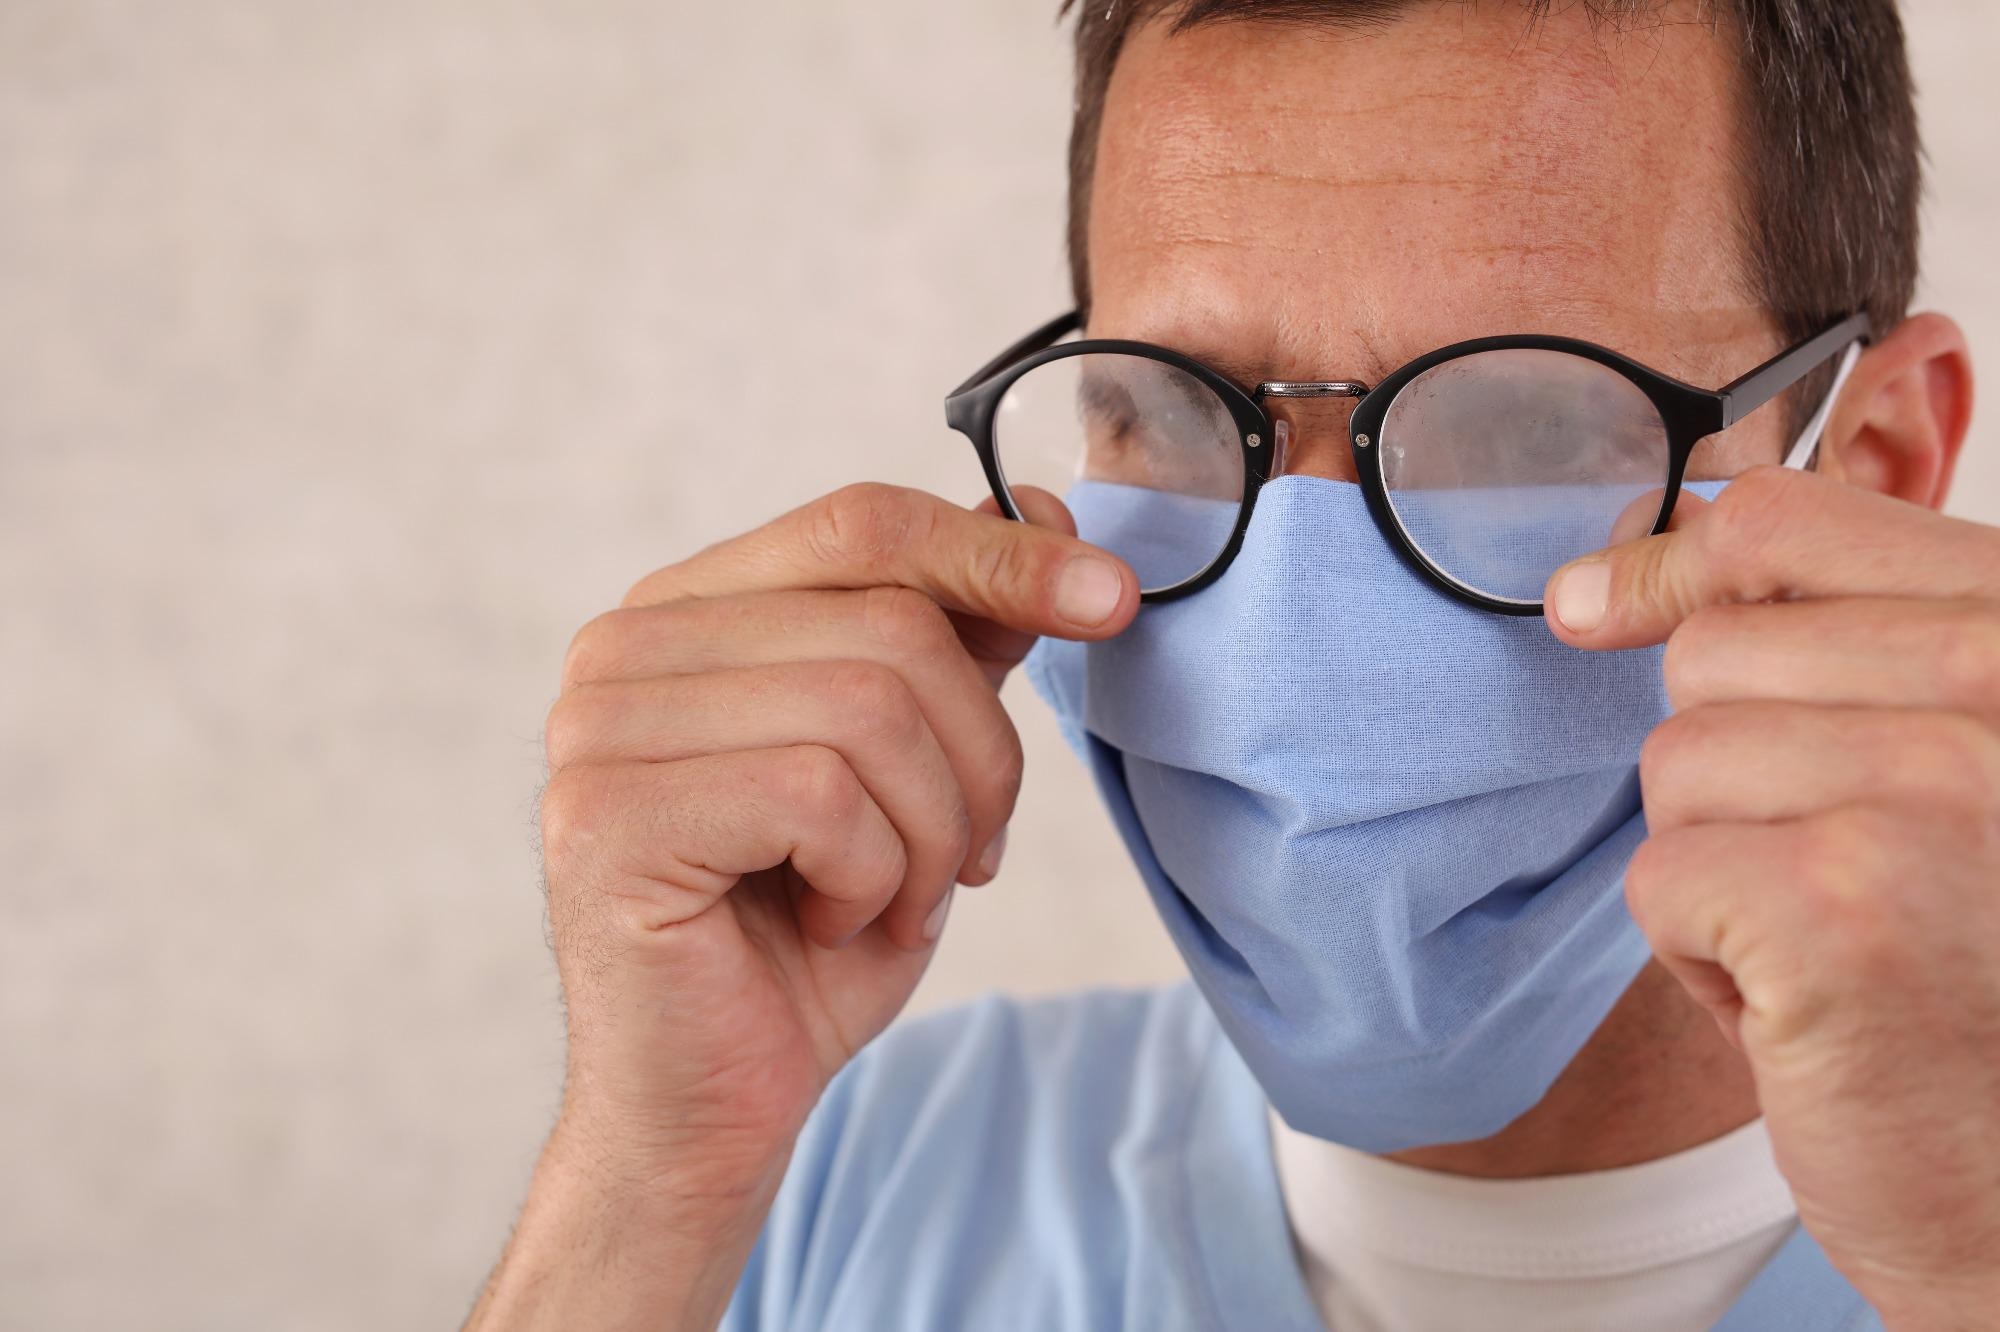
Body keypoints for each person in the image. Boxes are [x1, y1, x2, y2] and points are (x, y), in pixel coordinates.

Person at [464, 2, 1998, 1328]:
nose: (1294, 619)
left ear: (1872, 462)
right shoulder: (846, 1177)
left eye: (1525, 419)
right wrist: (647, 1191)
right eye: (1177, 410)